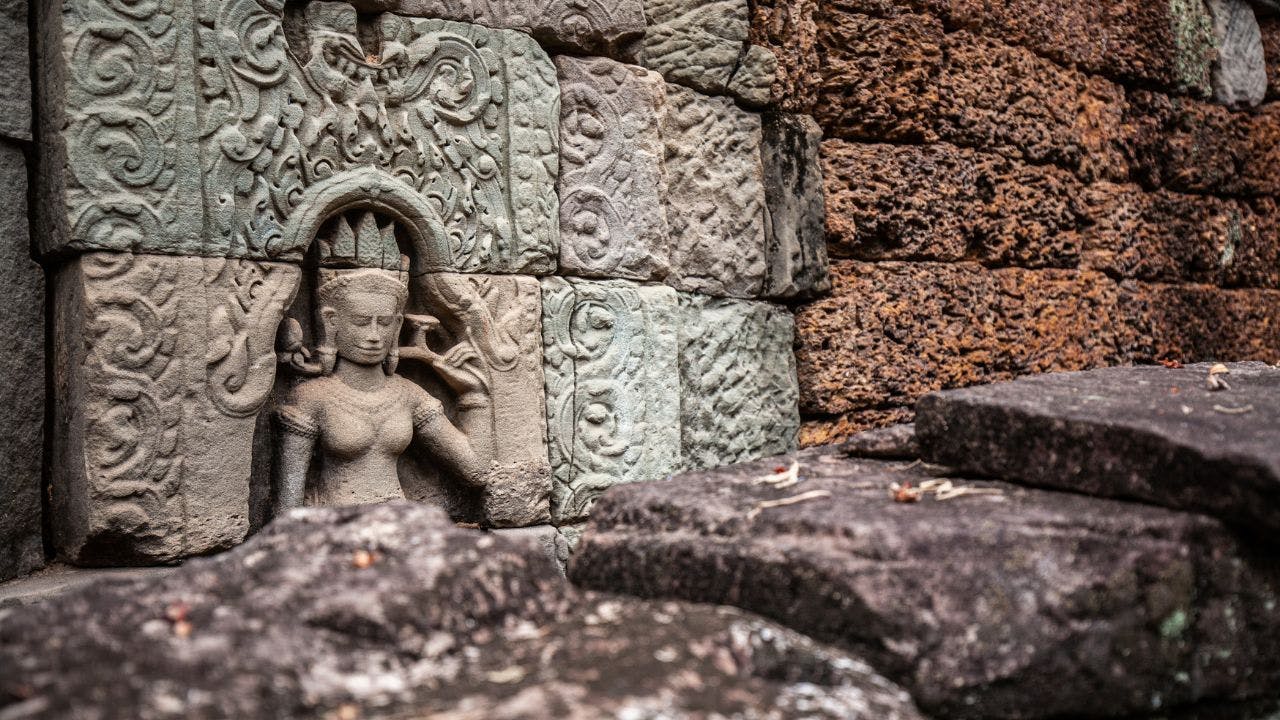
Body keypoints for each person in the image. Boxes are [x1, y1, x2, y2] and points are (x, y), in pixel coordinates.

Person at [273, 267, 494, 511]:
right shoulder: (312, 397)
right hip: (335, 526)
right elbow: (287, 505)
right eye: (361, 322)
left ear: (397, 324)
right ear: (331, 321)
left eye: (385, 322)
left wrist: (473, 394)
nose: (374, 335)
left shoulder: (408, 394)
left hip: (397, 523)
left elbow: (477, 471)